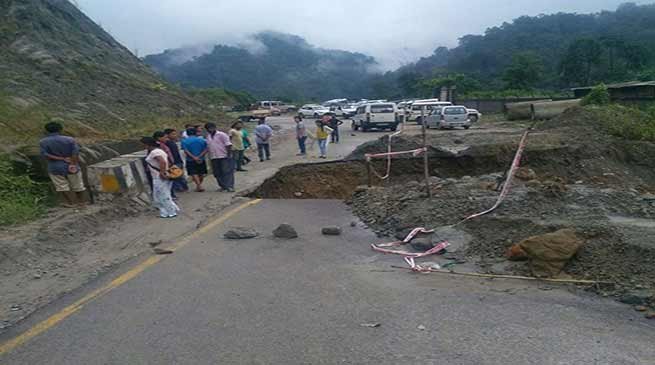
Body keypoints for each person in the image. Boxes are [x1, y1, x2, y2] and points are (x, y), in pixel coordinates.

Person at [39, 120, 87, 207]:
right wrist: (73, 164)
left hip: (55, 167)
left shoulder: (43, 142)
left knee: (61, 186)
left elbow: (45, 155)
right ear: (60, 130)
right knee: (78, 185)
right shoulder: (70, 140)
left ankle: (70, 203)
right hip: (71, 165)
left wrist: (61, 158)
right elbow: (75, 153)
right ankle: (81, 203)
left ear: (46, 131)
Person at [142, 137, 179, 218]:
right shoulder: (159, 150)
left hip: (158, 176)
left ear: (147, 145)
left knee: (161, 195)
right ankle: (168, 211)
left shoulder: (154, 152)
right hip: (163, 175)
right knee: (163, 194)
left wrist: (162, 172)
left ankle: (170, 212)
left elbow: (162, 161)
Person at [205, 122, 235, 192]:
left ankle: (230, 186)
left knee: (226, 171)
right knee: (217, 172)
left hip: (223, 156)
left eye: (211, 128)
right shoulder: (208, 136)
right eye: (208, 129)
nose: (210, 130)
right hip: (214, 157)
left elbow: (228, 144)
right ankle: (223, 186)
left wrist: (228, 154)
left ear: (215, 127)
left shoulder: (221, 135)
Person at [181, 127, 208, 192]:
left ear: (187, 133)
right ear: (196, 132)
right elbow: (206, 149)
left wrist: (194, 157)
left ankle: (199, 185)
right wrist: (199, 156)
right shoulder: (202, 140)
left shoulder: (184, 141)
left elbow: (186, 150)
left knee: (194, 173)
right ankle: (199, 185)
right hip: (201, 159)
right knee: (201, 173)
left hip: (190, 159)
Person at [164, 128, 189, 193]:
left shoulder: (172, 142)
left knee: (178, 176)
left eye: (175, 134)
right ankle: (182, 188)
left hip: (177, 161)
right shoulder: (168, 143)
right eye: (173, 134)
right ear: (167, 135)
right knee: (178, 176)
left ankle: (182, 188)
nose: (175, 135)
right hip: (175, 162)